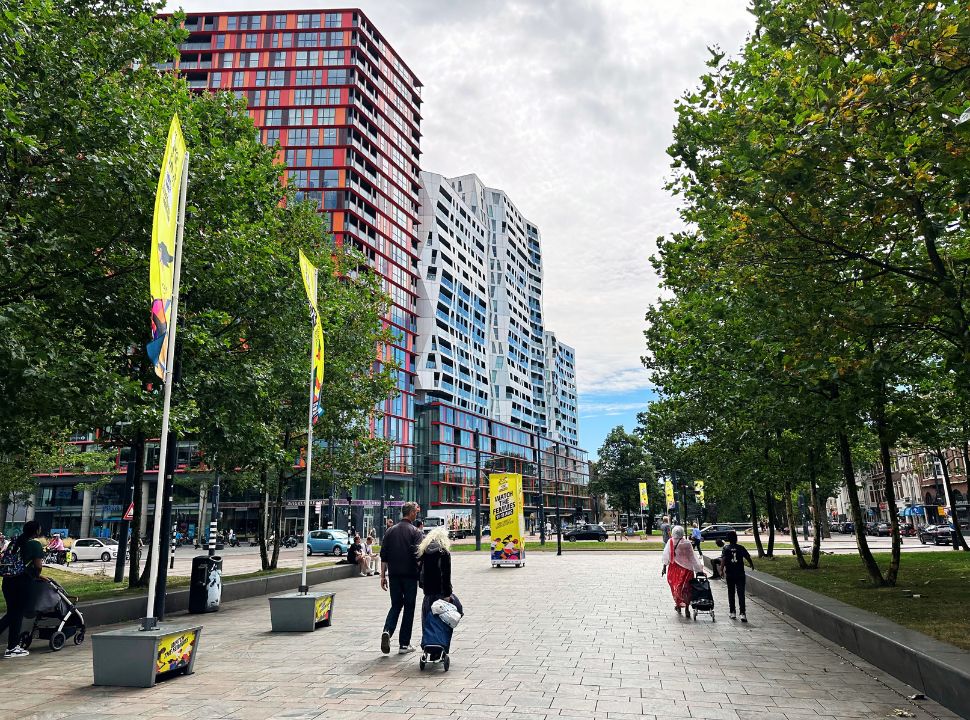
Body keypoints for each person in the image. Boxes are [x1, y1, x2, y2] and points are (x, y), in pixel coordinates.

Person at [379, 502, 423, 655]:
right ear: (411, 513)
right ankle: (404, 644)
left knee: (396, 605)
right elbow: (418, 555)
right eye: (415, 511)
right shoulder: (415, 532)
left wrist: (383, 576)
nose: (416, 514)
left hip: (394, 576)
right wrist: (422, 572)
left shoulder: (390, 531)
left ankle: (387, 631)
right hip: (410, 576)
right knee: (409, 607)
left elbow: (384, 556)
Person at [0, 520, 45, 658]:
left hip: (8, 581)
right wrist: (38, 575)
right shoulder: (35, 544)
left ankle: (13, 646)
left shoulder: (15, 542)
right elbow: (38, 565)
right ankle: (12, 647)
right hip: (22, 582)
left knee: (13, 613)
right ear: (36, 531)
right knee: (16, 614)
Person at [416, 526, 453, 651]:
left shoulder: (424, 552)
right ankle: (441, 647)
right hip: (441, 594)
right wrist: (448, 594)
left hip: (428, 593)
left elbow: (419, 571)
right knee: (444, 621)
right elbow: (446, 575)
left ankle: (428, 646)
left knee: (427, 621)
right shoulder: (444, 553)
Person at [661, 525, 703, 614]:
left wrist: (664, 567)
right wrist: (699, 569)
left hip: (674, 569)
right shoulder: (687, 543)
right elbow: (692, 557)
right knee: (686, 588)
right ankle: (687, 608)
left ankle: (678, 604)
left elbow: (666, 555)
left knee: (676, 587)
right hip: (687, 569)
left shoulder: (670, 542)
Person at [720, 530, 754, 621]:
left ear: (728, 539)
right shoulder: (741, 547)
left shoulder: (726, 548)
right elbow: (747, 557)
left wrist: (721, 570)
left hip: (730, 574)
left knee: (731, 593)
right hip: (740, 573)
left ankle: (732, 612)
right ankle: (743, 613)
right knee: (741, 593)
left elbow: (723, 559)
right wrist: (751, 564)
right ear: (736, 539)